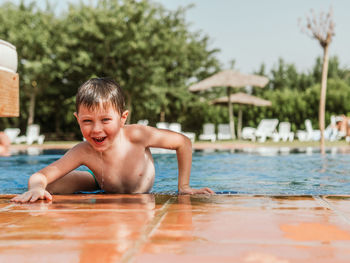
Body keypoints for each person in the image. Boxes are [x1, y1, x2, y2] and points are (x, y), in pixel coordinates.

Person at [11, 78, 214, 203]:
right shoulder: (83, 150)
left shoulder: (137, 135)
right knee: (49, 187)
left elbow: (183, 142)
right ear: (77, 119)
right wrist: (37, 187)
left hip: (135, 193)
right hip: (100, 185)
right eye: (87, 121)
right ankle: (86, 183)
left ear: (123, 118)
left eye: (106, 120)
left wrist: (184, 186)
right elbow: (41, 175)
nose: (96, 129)